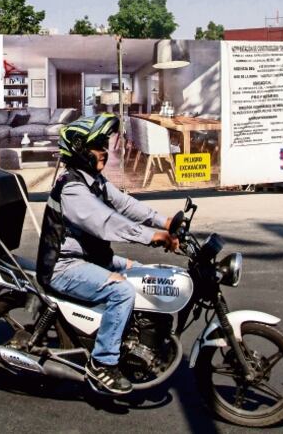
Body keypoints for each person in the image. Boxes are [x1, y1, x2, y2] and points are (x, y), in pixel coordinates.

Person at [35, 113, 179, 395]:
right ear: (79, 149)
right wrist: (153, 237)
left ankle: (133, 339)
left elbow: (125, 204)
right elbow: (107, 222)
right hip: (63, 266)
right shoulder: (72, 188)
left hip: (87, 258)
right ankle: (102, 362)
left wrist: (165, 223)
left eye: (104, 143)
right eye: (98, 145)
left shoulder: (93, 180)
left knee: (142, 273)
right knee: (123, 291)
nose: (104, 150)